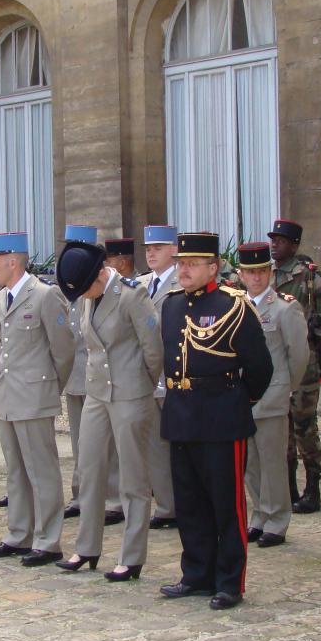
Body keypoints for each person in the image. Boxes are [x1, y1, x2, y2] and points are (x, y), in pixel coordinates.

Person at [158, 232, 273, 610]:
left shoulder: (233, 305)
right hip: (181, 413)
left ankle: (229, 581)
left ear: (214, 266)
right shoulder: (171, 305)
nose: (183, 269)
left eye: (192, 263)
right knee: (189, 503)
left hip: (220, 415)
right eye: (181, 262)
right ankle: (196, 573)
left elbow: (259, 367)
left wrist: (239, 402)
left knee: (227, 504)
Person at [55, 241, 162, 580]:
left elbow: (153, 350)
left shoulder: (132, 295)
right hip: (97, 392)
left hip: (130, 392)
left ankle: (131, 556)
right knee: (89, 470)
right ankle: (87, 547)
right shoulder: (89, 295)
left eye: (86, 287)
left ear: (101, 274)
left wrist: (142, 386)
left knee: (132, 478)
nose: (83, 295)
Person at [0, 232, 75, 566]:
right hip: (8, 394)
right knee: (16, 471)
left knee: (42, 470)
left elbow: (63, 351)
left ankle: (48, 539)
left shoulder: (44, 295)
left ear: (13, 261)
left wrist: (49, 388)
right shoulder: (2, 296)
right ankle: (18, 533)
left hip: (35, 394)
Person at [266, 219, 321, 513]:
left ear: (294, 245)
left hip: (303, 362)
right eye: (273, 240)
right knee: (282, 426)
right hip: (275, 361)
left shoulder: (307, 275)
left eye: (281, 241)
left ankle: (312, 488)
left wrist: (311, 337)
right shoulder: (267, 274)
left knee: (304, 425)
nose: (274, 245)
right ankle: (288, 489)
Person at [237, 242, 309, 547]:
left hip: (271, 396)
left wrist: (285, 387)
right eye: (251, 272)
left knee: (273, 463)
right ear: (241, 275)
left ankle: (277, 520)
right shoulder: (236, 306)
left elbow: (299, 355)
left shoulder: (284, 307)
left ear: (270, 272)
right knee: (250, 464)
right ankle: (259, 516)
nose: (257, 278)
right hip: (242, 398)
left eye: (262, 271)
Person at [61, 225, 124, 525]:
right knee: (80, 442)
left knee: (108, 445)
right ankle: (80, 494)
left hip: (104, 374)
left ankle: (112, 498)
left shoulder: (114, 288)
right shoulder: (69, 280)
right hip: (77, 372)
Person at [137, 224, 180, 529]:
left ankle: (185, 504)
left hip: (176, 373)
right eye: (149, 249)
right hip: (148, 376)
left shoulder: (183, 282)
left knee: (180, 444)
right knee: (154, 445)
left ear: (174, 250)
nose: (151, 253)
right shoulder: (139, 285)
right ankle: (166, 506)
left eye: (159, 248)